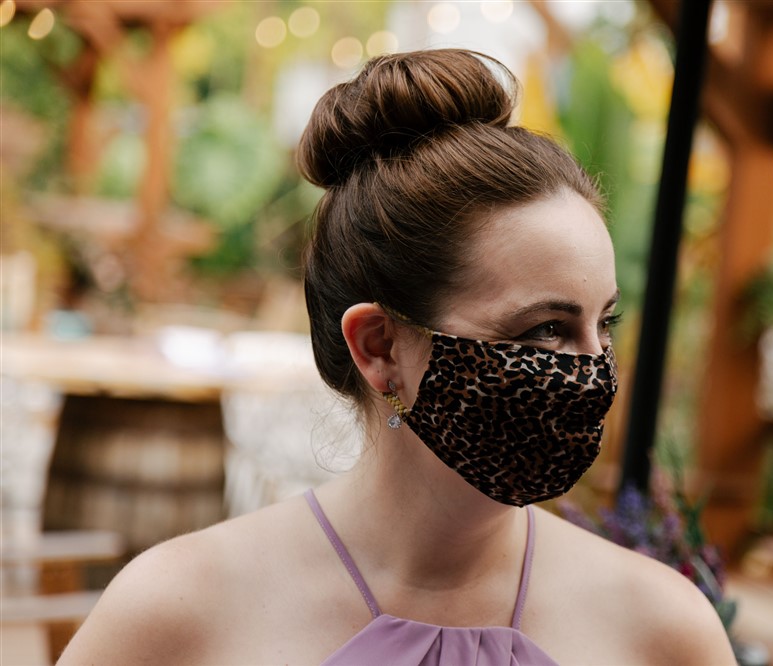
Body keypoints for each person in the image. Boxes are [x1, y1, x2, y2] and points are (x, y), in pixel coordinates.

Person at [59, 49, 736, 665]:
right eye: (545, 332)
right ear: (380, 348)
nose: (594, 373)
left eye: (604, 324)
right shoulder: (177, 613)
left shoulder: (662, 630)